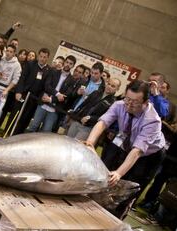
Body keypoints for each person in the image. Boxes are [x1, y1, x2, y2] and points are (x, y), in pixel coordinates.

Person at [85, 80, 165, 219]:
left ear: (146, 103)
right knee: (105, 174)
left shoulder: (152, 121)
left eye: (135, 102)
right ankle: (93, 210)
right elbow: (102, 123)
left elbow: (138, 151)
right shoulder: (119, 105)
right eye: (127, 99)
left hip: (148, 155)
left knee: (129, 188)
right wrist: (90, 143)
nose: (129, 104)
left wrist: (119, 173)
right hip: (126, 143)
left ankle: (117, 218)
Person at [26, 55, 77, 132]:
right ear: (64, 62)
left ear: (73, 66)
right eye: (67, 62)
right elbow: (47, 86)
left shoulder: (72, 80)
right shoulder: (54, 72)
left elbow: (66, 95)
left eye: (70, 63)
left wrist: (51, 99)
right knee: (33, 126)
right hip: (43, 103)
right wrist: (57, 94)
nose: (67, 64)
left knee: (46, 131)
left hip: (54, 108)